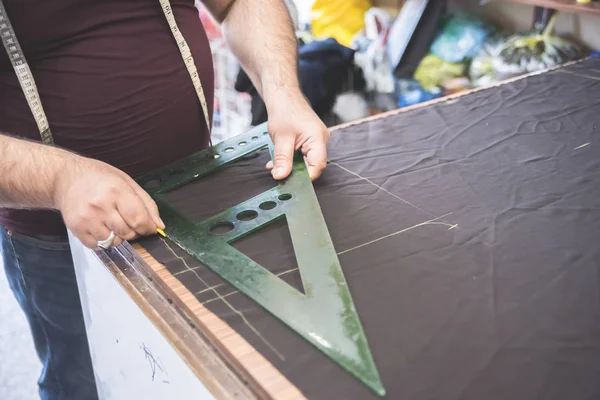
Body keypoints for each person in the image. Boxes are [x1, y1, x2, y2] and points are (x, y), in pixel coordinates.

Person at [0, 1, 330, 399]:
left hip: (200, 199)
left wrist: (283, 94)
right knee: (87, 382)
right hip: (63, 240)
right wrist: (60, 179)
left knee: (206, 370)